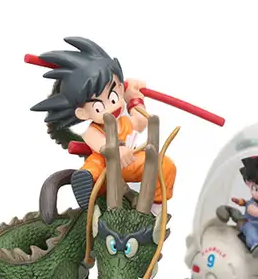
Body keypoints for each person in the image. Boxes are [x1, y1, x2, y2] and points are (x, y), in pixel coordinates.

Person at [30, 37, 176, 213]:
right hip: (105, 166)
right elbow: (101, 145)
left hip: (130, 163)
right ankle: (88, 187)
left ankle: (155, 208)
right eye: (98, 106)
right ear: (82, 113)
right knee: (93, 168)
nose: (111, 107)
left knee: (164, 165)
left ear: (120, 88)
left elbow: (141, 120)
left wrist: (134, 97)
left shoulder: (125, 122)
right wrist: (116, 151)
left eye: (113, 97)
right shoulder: (93, 131)